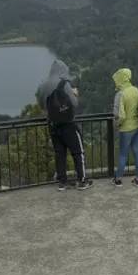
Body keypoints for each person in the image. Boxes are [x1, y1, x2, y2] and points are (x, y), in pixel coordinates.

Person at [37, 60, 93, 191]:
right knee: (78, 152)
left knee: (59, 154)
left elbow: (42, 105)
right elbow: (73, 104)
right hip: (68, 124)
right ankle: (82, 180)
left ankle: (62, 182)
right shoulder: (64, 84)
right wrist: (75, 94)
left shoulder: (42, 85)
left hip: (53, 124)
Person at [111, 67, 138, 187]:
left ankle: (118, 179)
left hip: (126, 129)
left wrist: (116, 125)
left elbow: (120, 115)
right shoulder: (136, 90)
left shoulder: (120, 94)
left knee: (123, 154)